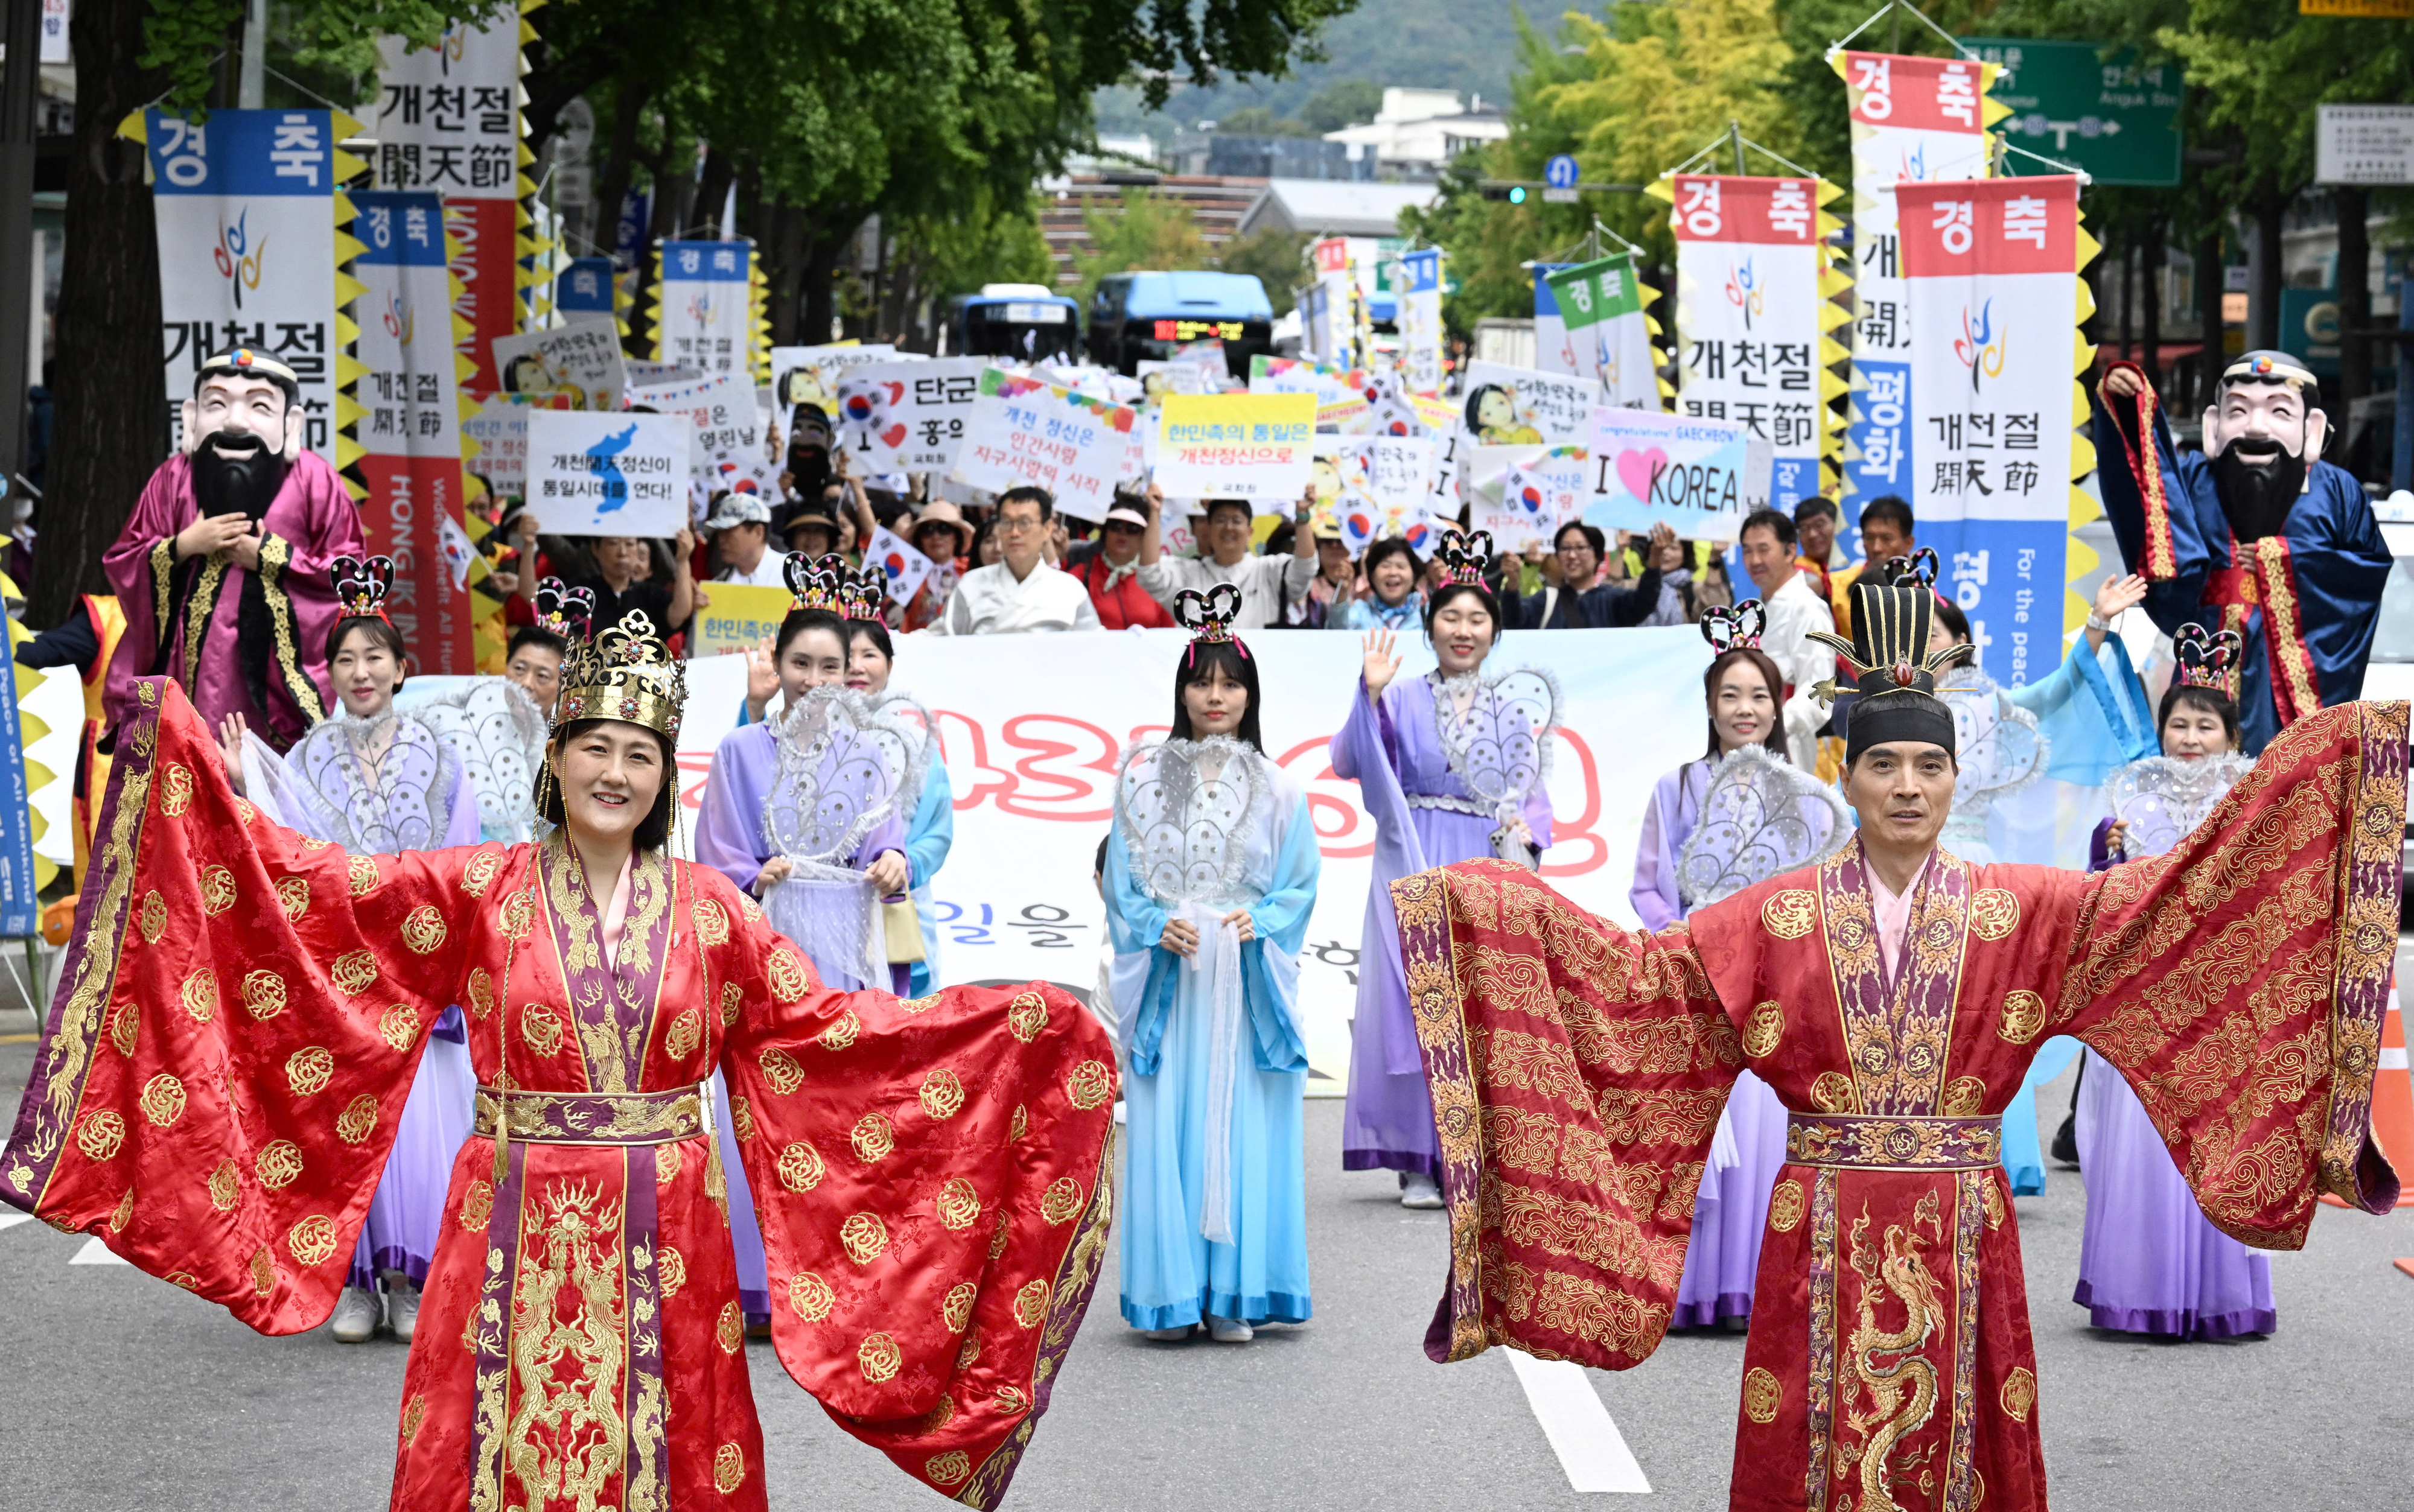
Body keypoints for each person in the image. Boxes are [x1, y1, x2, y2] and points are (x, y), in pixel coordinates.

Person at [4, 604, 1118, 1506]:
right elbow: (314, 903)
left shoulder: (713, 911)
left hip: (668, 1233)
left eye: (640, 754)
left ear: (660, 777)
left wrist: (1020, 1030)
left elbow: (830, 1037)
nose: (616, 773)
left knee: (673, 1448)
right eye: (595, 746)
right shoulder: (480, 885)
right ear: (560, 755)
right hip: (507, 1217)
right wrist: (184, 757)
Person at [1387, 570, 2403, 1512]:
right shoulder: (1769, 918)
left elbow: (2177, 910)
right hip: (1817, 1218)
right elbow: (1637, 989)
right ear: (1848, 772)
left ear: (1958, 781)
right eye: (1884, 764)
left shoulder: (2027, 910)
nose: (1908, 786)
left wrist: (2337, 768)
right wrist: (1482, 911)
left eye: (1930, 765)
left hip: (1965, 1220)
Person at [212, 557, 485, 1344]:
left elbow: (462, 861)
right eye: (345, 658)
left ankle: (415, 1275)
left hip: (419, 962)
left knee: (423, 1123)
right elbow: (288, 853)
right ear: (327, 673)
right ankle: (360, 1281)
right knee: (354, 1124)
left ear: (403, 669)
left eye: (375, 657)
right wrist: (244, 783)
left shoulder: (444, 757)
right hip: (342, 970)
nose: (360, 670)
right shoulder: (307, 757)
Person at [695, 557, 922, 1330]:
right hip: (770, 948)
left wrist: (897, 862)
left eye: (832, 665)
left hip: (847, 953)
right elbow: (716, 861)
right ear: (777, 663)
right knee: (761, 1110)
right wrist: (761, 876)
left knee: (843, 1112)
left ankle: (843, 1282)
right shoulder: (740, 752)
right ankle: (763, 1285)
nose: (817, 678)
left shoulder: (869, 752)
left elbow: (890, 850)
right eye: (802, 663)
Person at [1104, 587, 1320, 1343]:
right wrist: (1151, 923)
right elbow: (1122, 880)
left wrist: (1258, 921)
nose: (1217, 696)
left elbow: (1299, 882)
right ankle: (1170, 1290)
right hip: (1173, 970)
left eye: (1232, 684)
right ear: (1182, 691)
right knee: (1168, 1118)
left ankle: (1235, 1290)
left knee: (1240, 1118)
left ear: (1250, 695)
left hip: (1241, 971)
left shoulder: (1281, 787)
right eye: (1203, 682)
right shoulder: (1139, 778)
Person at [1334, 530, 1555, 1207]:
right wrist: (1367, 697)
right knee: (1416, 999)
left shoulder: (1510, 711)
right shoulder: (1399, 698)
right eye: (1451, 617)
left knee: (1478, 1007)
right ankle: (1417, 1157)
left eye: (1477, 619)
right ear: (1430, 625)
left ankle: (1470, 1155)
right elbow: (1352, 762)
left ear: (1494, 632)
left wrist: (1525, 831)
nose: (1463, 630)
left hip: (1481, 857)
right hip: (1414, 851)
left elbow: (1534, 796)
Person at [1629, 613, 1836, 1330]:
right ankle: (1686, 1289)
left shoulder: (1805, 794)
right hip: (1696, 983)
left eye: (1758, 696)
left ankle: (1758, 1287)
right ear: (1710, 706)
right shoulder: (1676, 786)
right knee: (1700, 1133)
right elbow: (1650, 886)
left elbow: (1817, 889)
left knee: (1765, 1136)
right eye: (1730, 696)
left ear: (1778, 706)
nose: (1744, 709)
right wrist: (1681, 935)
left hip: (1773, 984)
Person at [2072, 624, 2277, 1340]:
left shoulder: (2254, 802)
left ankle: (2219, 1292)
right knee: (2137, 1142)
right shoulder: (2127, 802)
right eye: (2178, 723)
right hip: (2143, 998)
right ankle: (2139, 1283)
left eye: (2205, 724)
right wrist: (2107, 857)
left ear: (2229, 733)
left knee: (2216, 1141)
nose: (2189, 737)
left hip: (2217, 998)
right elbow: (2099, 896)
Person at [2095, 351, 2392, 755]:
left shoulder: (2339, 494)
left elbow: (2364, 576)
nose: (2255, 427)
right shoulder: (2195, 481)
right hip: (2210, 653)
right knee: (2203, 777)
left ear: (2313, 429)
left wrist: (2285, 562)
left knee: (2286, 791)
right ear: (2214, 426)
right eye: (2238, 410)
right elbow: (2147, 495)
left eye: (2280, 413)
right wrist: (2128, 409)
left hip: (2294, 670)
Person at [103, 348, 365, 751]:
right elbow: (124, 560)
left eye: (260, 405)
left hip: (275, 691)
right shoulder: (172, 479)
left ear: (291, 425)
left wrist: (271, 557)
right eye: (217, 404)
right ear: (191, 419)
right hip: (184, 675)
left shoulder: (317, 481)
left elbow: (349, 577)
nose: (236, 421)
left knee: (264, 798)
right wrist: (185, 545)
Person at [841, 583, 955, 997]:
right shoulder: (814, 736)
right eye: (847, 656)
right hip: (829, 905)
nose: (857, 667)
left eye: (869, 655)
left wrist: (901, 866)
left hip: (899, 903)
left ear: (889, 666)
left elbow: (938, 831)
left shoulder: (916, 742)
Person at [1734, 508, 1836, 769]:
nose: (1754, 560)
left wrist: (1769, 725)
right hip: (1742, 746)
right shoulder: (1751, 614)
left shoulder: (1809, 609)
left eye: (1763, 549)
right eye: (1747, 551)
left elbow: (1821, 692)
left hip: (1786, 751)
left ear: (1790, 551)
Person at [929, 486, 1101, 634]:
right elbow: (941, 637)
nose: (1015, 533)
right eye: (1007, 523)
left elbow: (1096, 646)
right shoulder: (972, 584)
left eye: (1024, 523)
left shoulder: (1070, 590)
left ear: (1048, 528)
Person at [1137, 495, 1317, 631]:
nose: (1228, 527)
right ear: (1209, 529)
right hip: (1198, 673)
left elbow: (1305, 568)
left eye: (1236, 521)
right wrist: (1154, 512)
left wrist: (1302, 516)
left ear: (1250, 532)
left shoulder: (1270, 570)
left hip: (1257, 672)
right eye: (1220, 520)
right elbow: (1149, 573)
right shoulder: (1187, 572)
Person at [1515, 521, 1672, 629]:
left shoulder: (1613, 599)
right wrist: (1513, 581)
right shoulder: (1545, 601)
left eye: (1581, 548)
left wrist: (1655, 559)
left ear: (1598, 556)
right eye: (1565, 548)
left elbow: (1644, 602)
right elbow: (1514, 620)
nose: (1572, 556)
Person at [1069, 486, 1175, 629]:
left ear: (1144, 536)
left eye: (1133, 528)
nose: (1123, 533)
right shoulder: (1081, 574)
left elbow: (1169, 633)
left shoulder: (1157, 581)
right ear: (1105, 531)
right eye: (1116, 525)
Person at [573, 531, 696, 637]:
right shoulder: (579, 596)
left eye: (630, 544)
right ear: (595, 548)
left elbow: (679, 614)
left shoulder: (650, 595)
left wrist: (683, 560)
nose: (623, 552)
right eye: (613, 543)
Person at [1826, 494, 1914, 627]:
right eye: (1869, 537)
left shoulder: (1922, 588)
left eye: (1887, 538)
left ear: (1908, 543)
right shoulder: (1835, 585)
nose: (1876, 548)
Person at [1336, 536, 1427, 632]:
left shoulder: (1426, 614)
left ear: (1414, 576)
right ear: (1372, 576)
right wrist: (1342, 589)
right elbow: (1337, 629)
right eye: (1385, 566)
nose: (1393, 572)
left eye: (1401, 567)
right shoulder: (1361, 612)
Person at [1285, 519, 1359, 629]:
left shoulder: (1365, 588)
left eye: (1341, 541)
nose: (1334, 546)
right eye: (1328, 540)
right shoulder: (1306, 586)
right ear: (1318, 546)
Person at [704, 492, 788, 586]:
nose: (721, 539)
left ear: (758, 532)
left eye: (729, 531)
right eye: (719, 532)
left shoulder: (794, 572)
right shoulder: (720, 584)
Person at [1792, 496, 1846, 605]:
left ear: (1837, 524)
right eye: (1804, 529)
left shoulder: (1855, 565)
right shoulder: (1799, 574)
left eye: (1819, 525)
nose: (1812, 534)